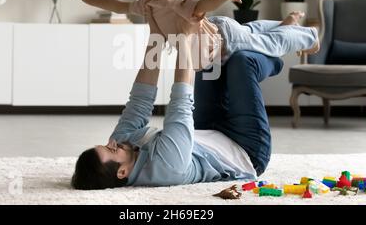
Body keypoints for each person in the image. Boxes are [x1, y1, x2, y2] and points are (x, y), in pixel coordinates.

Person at [71, 11, 284, 190]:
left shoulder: (121, 143)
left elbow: (140, 99)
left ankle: (278, 30)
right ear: (122, 172)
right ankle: (277, 55)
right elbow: (180, 103)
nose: (112, 142)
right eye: (111, 150)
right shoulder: (166, 167)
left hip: (204, 133)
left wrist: (155, 34)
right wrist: (185, 38)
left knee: (210, 57)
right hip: (244, 150)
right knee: (241, 62)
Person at [75, 0, 319, 72]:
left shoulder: (180, 3)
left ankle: (309, 36)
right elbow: (119, 5)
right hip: (221, 28)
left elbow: (203, 5)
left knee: (269, 43)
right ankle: (286, 22)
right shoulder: (149, 2)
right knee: (253, 29)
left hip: (226, 39)